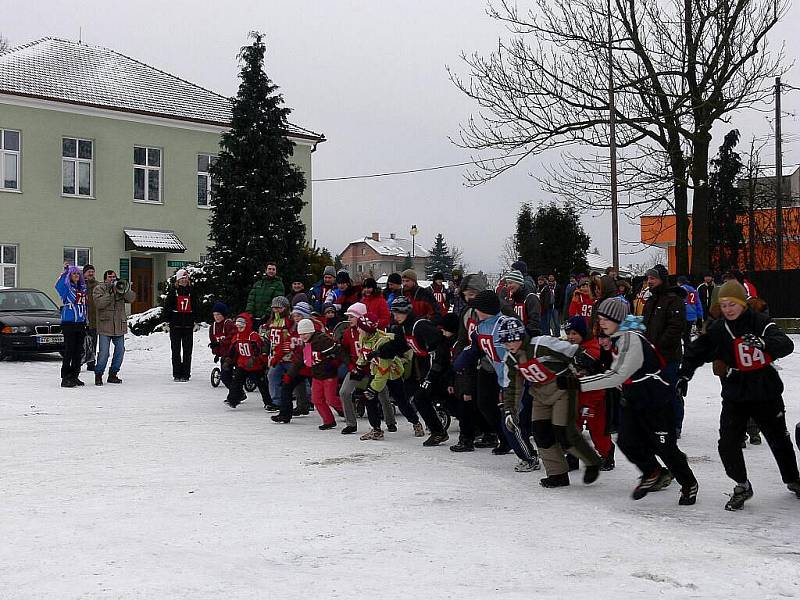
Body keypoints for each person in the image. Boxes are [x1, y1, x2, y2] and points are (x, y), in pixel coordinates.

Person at [678, 280, 800, 510]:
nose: (728, 309)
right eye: (723, 305)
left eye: (732, 304)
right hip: (736, 390)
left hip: (765, 388)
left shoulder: (759, 321)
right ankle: (741, 484)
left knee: (778, 438)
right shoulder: (718, 329)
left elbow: (785, 344)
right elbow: (695, 352)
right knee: (728, 442)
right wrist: (683, 376)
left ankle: (793, 479)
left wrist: (764, 343)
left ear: (742, 303)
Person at [568, 298, 698, 505]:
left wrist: (577, 384)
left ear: (618, 319)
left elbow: (617, 375)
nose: (601, 323)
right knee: (627, 441)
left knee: (665, 447)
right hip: (634, 400)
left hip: (657, 401)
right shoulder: (618, 339)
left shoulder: (632, 339)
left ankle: (689, 483)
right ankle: (652, 472)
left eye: (606, 319)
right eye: (599, 318)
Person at [497, 317, 600, 486]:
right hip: (539, 394)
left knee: (563, 431)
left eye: (512, 341)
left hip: (562, 389)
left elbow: (571, 350)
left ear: (521, 336)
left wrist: (583, 361)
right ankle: (557, 474)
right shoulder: (511, 359)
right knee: (540, 433)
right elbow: (512, 388)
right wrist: (510, 411)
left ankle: (592, 461)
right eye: (505, 343)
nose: (509, 346)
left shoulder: (540, 344)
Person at [380, 296, 450, 446]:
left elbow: (440, 346)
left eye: (399, 312)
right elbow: (398, 346)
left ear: (407, 312)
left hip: (439, 367)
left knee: (430, 398)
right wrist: (379, 352)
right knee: (421, 398)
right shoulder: (404, 328)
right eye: (394, 313)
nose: (396, 316)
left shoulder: (420, 325)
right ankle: (439, 431)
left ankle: (444, 431)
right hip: (425, 366)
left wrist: (436, 370)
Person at [337, 302, 398, 435]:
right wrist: (351, 366)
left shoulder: (372, 331)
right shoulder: (347, 333)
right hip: (357, 367)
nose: (349, 320)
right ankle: (351, 424)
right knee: (344, 392)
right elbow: (343, 351)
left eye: (351, 317)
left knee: (382, 393)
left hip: (374, 369)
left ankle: (390, 421)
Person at [641, 264, 686, 437]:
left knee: (670, 390)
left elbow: (675, 328)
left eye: (653, 278)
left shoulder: (673, 300)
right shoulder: (651, 300)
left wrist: (658, 346)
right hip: (650, 355)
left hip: (669, 356)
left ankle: (675, 424)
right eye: (648, 278)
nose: (650, 281)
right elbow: (645, 325)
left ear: (662, 279)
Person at [565, 316, 614, 470]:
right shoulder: (571, 348)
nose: (571, 337)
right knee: (573, 428)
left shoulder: (593, 349)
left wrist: (590, 405)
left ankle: (607, 455)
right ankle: (573, 456)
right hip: (576, 396)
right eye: (569, 333)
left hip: (595, 399)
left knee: (598, 431)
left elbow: (598, 379)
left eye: (574, 333)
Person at [355, 313, 415, 441]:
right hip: (376, 370)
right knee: (368, 398)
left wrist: (373, 388)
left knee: (401, 401)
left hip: (391, 373)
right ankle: (376, 430)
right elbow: (364, 353)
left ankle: (415, 422)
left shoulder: (383, 342)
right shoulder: (363, 337)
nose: (357, 329)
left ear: (367, 329)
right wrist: (359, 366)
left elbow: (384, 370)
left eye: (360, 327)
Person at [289, 318, 345, 430]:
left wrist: (333, 362)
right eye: (301, 334)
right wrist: (290, 374)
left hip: (329, 374)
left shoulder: (322, 340)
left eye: (306, 333)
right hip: (317, 375)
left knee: (330, 399)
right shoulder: (305, 344)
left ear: (312, 331)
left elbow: (338, 351)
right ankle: (328, 420)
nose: (303, 336)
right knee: (316, 400)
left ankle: (347, 411)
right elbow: (301, 360)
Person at [93, 269, 135, 385]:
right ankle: (99, 374)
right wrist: (110, 293)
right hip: (105, 326)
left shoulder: (120, 287)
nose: (112, 279)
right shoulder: (99, 288)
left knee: (120, 351)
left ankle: (113, 374)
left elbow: (131, 299)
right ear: (105, 278)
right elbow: (99, 304)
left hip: (119, 326)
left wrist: (125, 289)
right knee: (104, 353)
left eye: (114, 277)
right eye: (110, 277)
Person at [225, 313, 270, 408]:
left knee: (262, 385)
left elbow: (260, 350)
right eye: (238, 326)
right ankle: (233, 400)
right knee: (236, 382)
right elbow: (233, 351)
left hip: (256, 366)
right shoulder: (236, 337)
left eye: (242, 326)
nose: (240, 328)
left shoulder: (253, 336)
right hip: (242, 365)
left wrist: (254, 359)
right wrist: (228, 360)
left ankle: (268, 402)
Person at [163, 268, 199, 382]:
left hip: (188, 326)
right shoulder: (173, 291)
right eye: (181, 278)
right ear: (177, 280)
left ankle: (186, 374)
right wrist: (166, 321)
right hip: (175, 325)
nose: (184, 280)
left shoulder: (192, 291)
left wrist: (196, 321)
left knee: (187, 351)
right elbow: (167, 307)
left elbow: (197, 307)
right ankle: (177, 373)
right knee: (176, 351)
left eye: (186, 278)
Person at [55, 264, 88, 387]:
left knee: (78, 351)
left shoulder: (83, 289)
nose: (76, 276)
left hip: (80, 322)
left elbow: (85, 306)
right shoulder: (67, 289)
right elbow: (58, 285)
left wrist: (86, 320)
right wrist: (65, 271)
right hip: (69, 323)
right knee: (69, 350)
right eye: (74, 274)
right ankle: (66, 377)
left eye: (78, 274)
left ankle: (75, 375)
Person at [265, 296, 293, 411]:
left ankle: (307, 400)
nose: (276, 310)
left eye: (279, 308)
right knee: (272, 375)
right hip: (276, 354)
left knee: (296, 377)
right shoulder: (272, 320)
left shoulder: (289, 320)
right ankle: (276, 401)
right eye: (274, 308)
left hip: (289, 355)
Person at [499, 269, 541, 338]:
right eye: (507, 284)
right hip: (516, 338)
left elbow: (535, 321)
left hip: (530, 338)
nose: (508, 286)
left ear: (519, 283)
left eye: (511, 283)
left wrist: (526, 334)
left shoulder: (531, 298)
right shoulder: (512, 299)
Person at [245, 261, 285, 326]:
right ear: (266, 270)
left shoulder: (279, 284)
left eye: (273, 269)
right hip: (254, 317)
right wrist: (249, 313)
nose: (271, 271)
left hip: (268, 318)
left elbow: (276, 301)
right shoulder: (258, 284)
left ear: (276, 271)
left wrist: (267, 314)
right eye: (269, 269)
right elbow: (251, 300)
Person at [209, 302, 236, 389]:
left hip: (233, 353)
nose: (216, 317)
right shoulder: (212, 327)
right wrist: (216, 353)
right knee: (225, 375)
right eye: (214, 315)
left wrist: (220, 343)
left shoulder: (228, 324)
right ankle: (235, 392)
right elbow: (213, 341)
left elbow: (232, 337)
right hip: (224, 354)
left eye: (218, 314)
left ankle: (236, 392)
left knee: (226, 375)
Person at [677, 275, 704, 345]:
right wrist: (700, 317)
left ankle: (687, 350)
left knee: (683, 336)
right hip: (692, 316)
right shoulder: (693, 290)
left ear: (679, 283)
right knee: (687, 334)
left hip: (683, 316)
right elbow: (698, 304)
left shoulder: (680, 290)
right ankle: (688, 348)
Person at [83, 264, 99, 372]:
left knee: (93, 342)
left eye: (92, 271)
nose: (91, 273)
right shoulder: (80, 285)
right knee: (81, 343)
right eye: (89, 271)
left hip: (94, 319)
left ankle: (91, 363)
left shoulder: (98, 285)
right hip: (82, 319)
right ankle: (78, 363)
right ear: (84, 273)